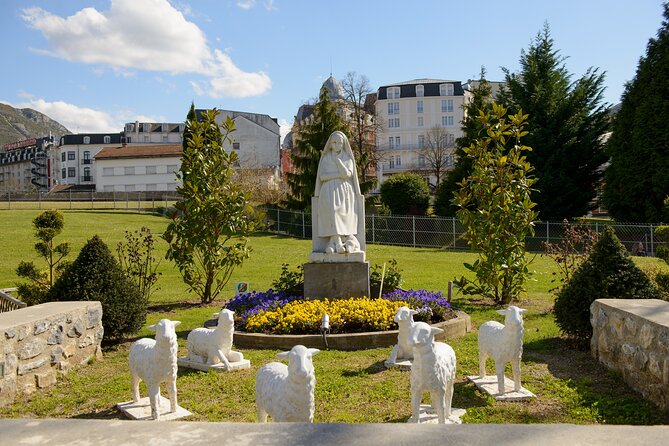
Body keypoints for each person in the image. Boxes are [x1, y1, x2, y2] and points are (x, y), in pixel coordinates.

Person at [314, 131, 361, 254]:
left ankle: (334, 242)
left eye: (339, 142)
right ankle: (338, 243)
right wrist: (337, 175)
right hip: (328, 190)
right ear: (330, 143)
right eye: (334, 142)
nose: (336, 145)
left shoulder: (347, 157)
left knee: (342, 214)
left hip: (345, 192)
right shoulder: (325, 158)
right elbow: (322, 177)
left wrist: (338, 161)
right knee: (332, 212)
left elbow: (347, 174)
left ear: (343, 143)